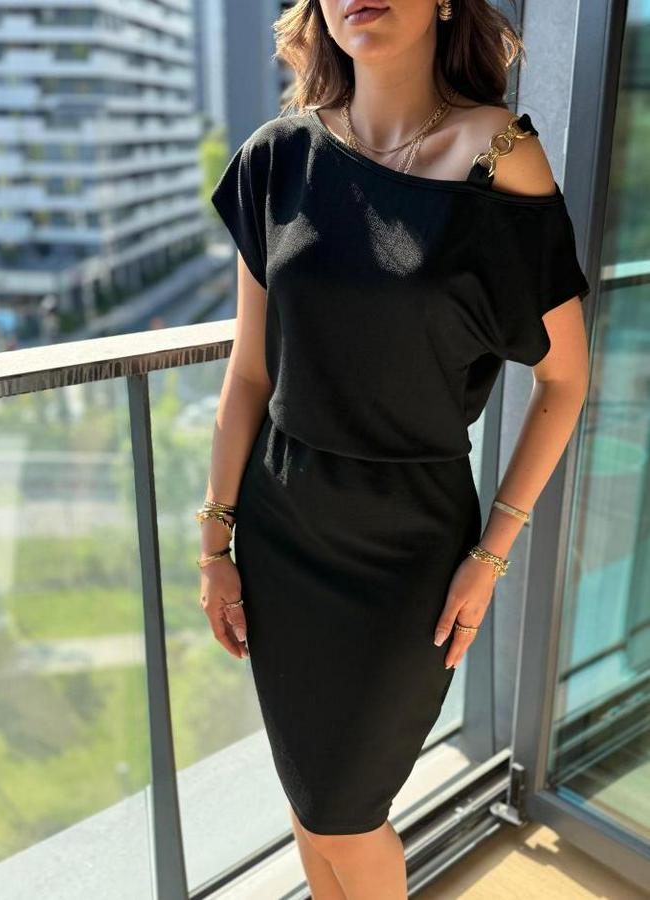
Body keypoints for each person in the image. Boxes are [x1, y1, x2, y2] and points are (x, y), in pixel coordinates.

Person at [198, 1, 591, 897]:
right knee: (311, 803)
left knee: (348, 815)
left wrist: (491, 554)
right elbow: (249, 373)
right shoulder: (276, 158)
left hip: (409, 550)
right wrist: (215, 544)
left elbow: (565, 380)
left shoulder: (499, 155)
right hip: (282, 533)